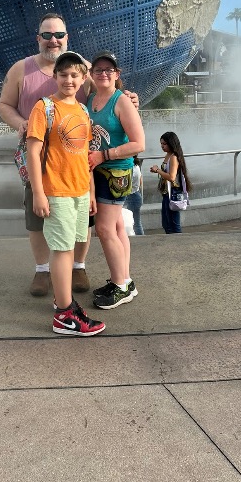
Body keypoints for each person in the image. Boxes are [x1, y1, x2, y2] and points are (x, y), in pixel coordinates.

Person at [0, 13, 139, 297]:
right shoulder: (20, 70)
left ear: (67, 38)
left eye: (59, 35)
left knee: (82, 217)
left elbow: (109, 91)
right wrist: (22, 124)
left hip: (75, 160)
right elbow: (4, 105)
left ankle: (78, 265)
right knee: (37, 216)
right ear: (38, 38)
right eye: (47, 35)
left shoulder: (82, 66)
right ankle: (42, 271)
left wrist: (129, 98)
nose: (53, 40)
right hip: (36, 157)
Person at [26, 51, 105, 336]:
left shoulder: (83, 111)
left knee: (71, 247)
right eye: (63, 75)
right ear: (55, 77)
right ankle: (64, 314)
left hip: (80, 190)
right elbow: (32, 153)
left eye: (74, 75)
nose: (69, 80)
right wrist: (38, 193)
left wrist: (91, 191)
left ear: (84, 79)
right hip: (56, 190)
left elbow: (85, 156)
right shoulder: (45, 108)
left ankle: (64, 301)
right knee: (62, 250)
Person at [87, 51, 145, 310]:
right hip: (99, 170)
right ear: (91, 74)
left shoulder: (122, 102)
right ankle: (125, 280)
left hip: (116, 173)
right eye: (98, 69)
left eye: (109, 70)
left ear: (117, 74)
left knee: (105, 229)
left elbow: (138, 144)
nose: (103, 73)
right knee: (118, 227)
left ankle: (120, 287)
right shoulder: (91, 100)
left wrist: (104, 155)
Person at [150, 131, 192, 234]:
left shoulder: (173, 157)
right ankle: (173, 242)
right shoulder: (168, 155)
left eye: (165, 144)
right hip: (167, 192)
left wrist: (157, 170)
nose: (162, 146)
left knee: (173, 222)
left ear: (171, 143)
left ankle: (177, 243)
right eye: (161, 144)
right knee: (166, 222)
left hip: (173, 192)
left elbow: (172, 177)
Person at [124, 156, 144, 235]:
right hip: (136, 194)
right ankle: (142, 239)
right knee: (137, 223)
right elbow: (140, 182)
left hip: (131, 195)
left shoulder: (130, 168)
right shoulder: (136, 166)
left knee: (133, 224)